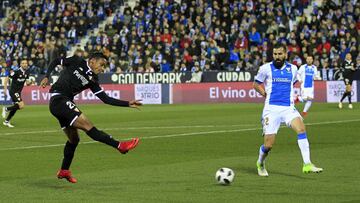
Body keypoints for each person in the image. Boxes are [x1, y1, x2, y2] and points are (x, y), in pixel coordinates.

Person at [40, 52, 142, 183]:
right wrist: (46, 76)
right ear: (93, 61)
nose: (102, 68)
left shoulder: (93, 80)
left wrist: (127, 103)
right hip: (58, 99)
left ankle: (64, 170)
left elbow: (106, 99)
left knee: (74, 139)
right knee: (88, 125)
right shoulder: (77, 60)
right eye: (101, 65)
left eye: (104, 66)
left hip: (63, 103)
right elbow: (55, 61)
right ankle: (119, 145)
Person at [253, 43, 323, 177]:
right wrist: (264, 93)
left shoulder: (293, 69)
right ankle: (260, 162)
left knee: (301, 129)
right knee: (268, 145)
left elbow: (294, 82)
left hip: (288, 108)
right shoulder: (265, 68)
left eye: (280, 54)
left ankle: (307, 164)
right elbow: (256, 84)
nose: (277, 57)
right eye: (275, 54)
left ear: (285, 54)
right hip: (271, 110)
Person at [2, 59, 30, 127]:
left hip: (18, 92)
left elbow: (27, 83)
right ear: (20, 64)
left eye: (26, 63)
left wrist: (30, 83)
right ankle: (6, 109)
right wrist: (5, 89)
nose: (25, 64)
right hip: (13, 91)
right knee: (21, 105)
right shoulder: (17, 72)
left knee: (16, 107)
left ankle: (6, 121)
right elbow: (7, 77)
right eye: (23, 63)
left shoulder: (27, 72)